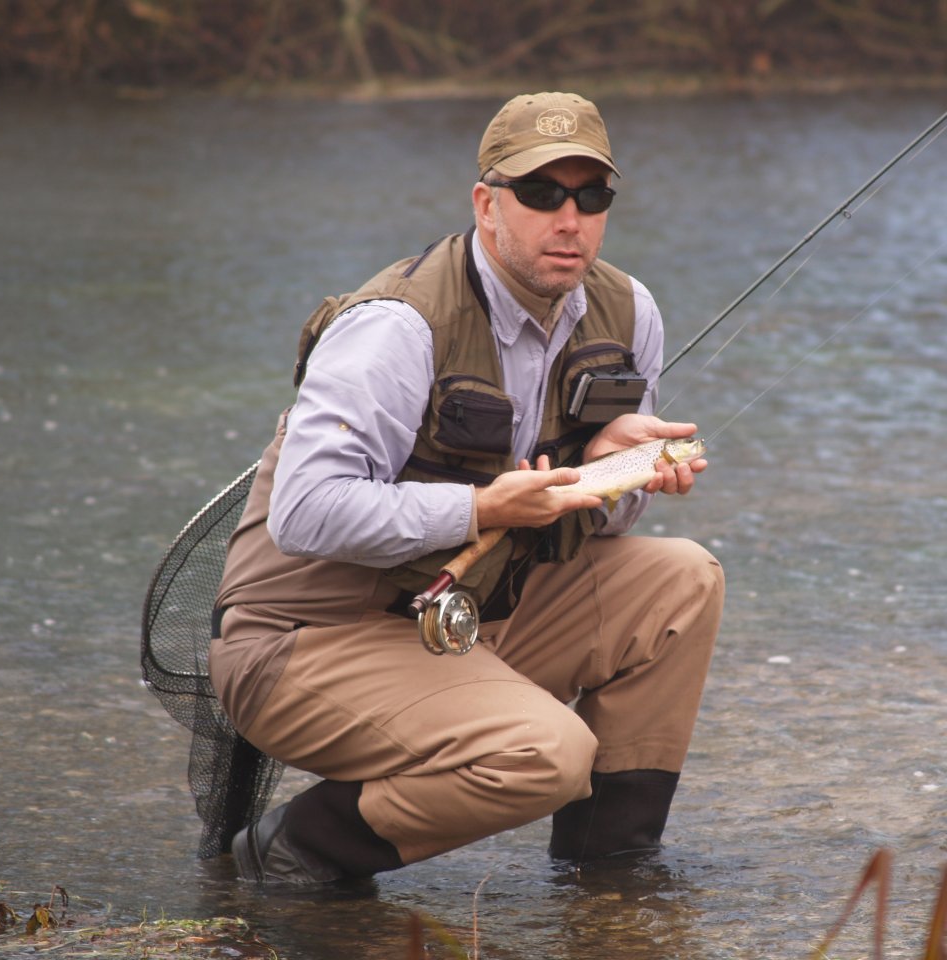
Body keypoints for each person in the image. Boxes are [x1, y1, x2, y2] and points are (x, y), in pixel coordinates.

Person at [210, 91, 724, 885]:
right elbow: (304, 513)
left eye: (592, 196)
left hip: (465, 616)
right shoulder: (397, 325)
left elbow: (606, 528)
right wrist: (481, 507)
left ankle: (612, 878)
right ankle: (294, 852)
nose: (570, 219)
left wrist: (612, 471)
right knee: (550, 753)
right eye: (543, 193)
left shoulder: (629, 312)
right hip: (304, 638)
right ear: (487, 205)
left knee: (684, 578)